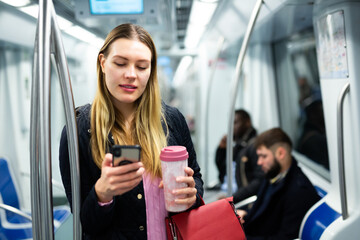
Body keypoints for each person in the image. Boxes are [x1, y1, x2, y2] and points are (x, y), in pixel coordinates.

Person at [59, 23, 204, 239]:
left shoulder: (172, 119)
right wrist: (102, 193)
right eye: (120, 63)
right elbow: (85, 224)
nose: (131, 75)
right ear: (103, 63)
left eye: (142, 67)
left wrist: (192, 194)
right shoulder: (79, 130)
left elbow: (196, 176)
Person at [238, 127, 320, 240]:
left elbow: (285, 237)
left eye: (263, 156)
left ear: (281, 153)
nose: (259, 162)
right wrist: (246, 214)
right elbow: (263, 210)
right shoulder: (273, 175)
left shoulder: (299, 192)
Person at [213, 109, 257, 191]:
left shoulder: (254, 145)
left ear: (247, 122)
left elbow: (257, 181)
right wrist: (221, 150)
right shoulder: (238, 145)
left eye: (235, 123)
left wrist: (235, 197)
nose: (232, 127)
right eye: (230, 124)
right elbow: (224, 170)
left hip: (241, 198)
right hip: (230, 192)